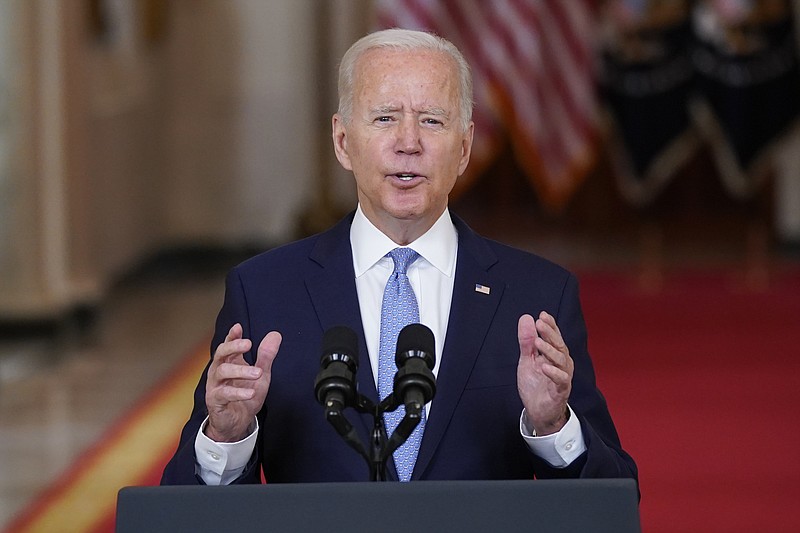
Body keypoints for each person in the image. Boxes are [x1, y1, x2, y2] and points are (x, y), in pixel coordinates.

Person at [161, 28, 637, 485]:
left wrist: (554, 426)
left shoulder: (536, 296)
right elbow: (184, 508)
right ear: (343, 142)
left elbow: (613, 496)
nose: (409, 143)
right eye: (385, 117)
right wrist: (228, 436)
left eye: (432, 120)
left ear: (465, 147)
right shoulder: (264, 292)